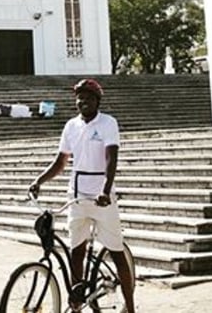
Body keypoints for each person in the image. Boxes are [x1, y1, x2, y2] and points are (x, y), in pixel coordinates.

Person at [28, 79, 136, 312]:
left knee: (116, 251)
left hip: (102, 195)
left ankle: (131, 304)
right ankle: (76, 302)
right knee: (76, 250)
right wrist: (40, 180)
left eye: (88, 97)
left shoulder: (108, 123)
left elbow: (111, 159)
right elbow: (61, 161)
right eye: (79, 97)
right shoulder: (71, 126)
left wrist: (105, 191)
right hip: (76, 194)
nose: (82, 101)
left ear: (97, 101)